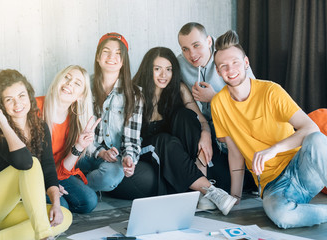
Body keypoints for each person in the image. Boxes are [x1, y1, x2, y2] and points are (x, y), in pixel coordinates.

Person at [211, 30, 327, 228]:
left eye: (235, 62)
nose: (230, 69)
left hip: (302, 167)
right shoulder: (218, 104)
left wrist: (273, 149)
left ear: (246, 63)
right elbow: (235, 152)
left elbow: (310, 127)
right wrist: (235, 196)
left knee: (316, 138)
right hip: (273, 185)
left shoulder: (271, 91)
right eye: (224, 66)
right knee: (282, 217)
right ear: (218, 71)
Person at [110, 47, 237, 216]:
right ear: (149, 70)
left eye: (168, 69)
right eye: (158, 69)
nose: (164, 75)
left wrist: (206, 134)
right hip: (146, 148)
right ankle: (210, 190)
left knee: (186, 116)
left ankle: (202, 190)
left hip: (175, 149)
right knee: (165, 140)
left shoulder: (179, 89)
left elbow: (199, 120)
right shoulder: (135, 92)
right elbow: (128, 136)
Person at [0, 69, 72, 240]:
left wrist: (56, 204)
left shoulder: (41, 127)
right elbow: (24, 163)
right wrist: (3, 123)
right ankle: (45, 237)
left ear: (29, 96)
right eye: (9, 100)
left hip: (10, 209)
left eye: (21, 96)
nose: (18, 104)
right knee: (32, 163)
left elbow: (48, 169)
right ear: (1, 105)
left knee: (63, 217)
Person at [177, 22, 256, 192]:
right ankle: (202, 183)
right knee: (184, 116)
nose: (192, 54)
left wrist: (215, 99)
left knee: (231, 181)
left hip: (236, 129)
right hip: (207, 130)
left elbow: (253, 105)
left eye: (196, 45)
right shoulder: (180, 64)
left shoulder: (228, 57)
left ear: (209, 41)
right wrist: (205, 129)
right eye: (185, 49)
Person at [76, 33, 143, 194]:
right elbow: (78, 129)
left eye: (118, 53)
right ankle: (73, 186)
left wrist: (129, 158)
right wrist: (100, 152)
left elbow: (132, 138)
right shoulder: (84, 87)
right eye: (106, 51)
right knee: (62, 160)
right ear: (98, 57)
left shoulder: (134, 94)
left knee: (111, 177)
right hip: (84, 152)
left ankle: (75, 187)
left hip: (113, 159)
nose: (112, 56)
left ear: (123, 61)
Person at [36, 65, 100, 214]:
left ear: (81, 96)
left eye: (77, 83)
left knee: (89, 200)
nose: (69, 83)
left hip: (57, 173)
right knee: (62, 206)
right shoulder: (35, 107)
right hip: (33, 176)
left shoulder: (76, 121)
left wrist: (79, 146)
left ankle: (48, 206)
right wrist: (48, 186)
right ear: (58, 80)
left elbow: (64, 169)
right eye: (67, 77)